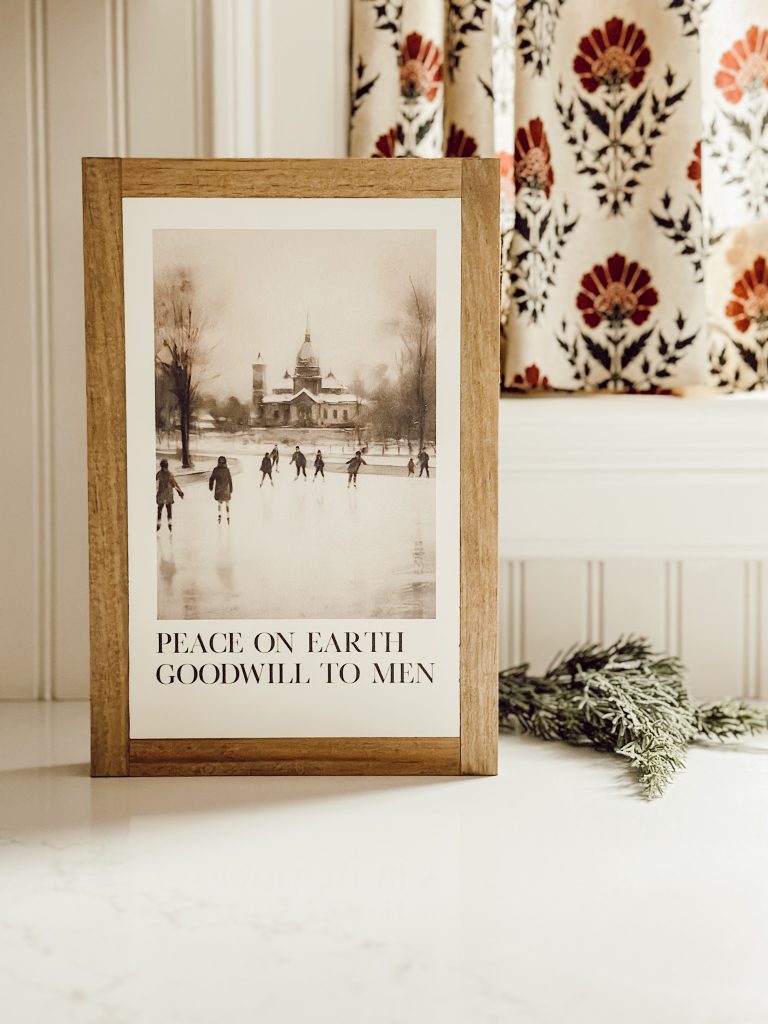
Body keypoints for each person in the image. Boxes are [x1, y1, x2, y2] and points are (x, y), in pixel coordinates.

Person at [156, 458, 184, 532]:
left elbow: (155, 484)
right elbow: (174, 485)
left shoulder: (158, 474)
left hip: (161, 495)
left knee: (159, 510)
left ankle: (158, 524)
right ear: (167, 466)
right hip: (168, 495)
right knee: (169, 511)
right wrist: (180, 492)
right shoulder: (169, 474)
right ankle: (170, 524)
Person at [209, 455, 233, 524]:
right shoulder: (226, 470)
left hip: (218, 490)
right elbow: (230, 480)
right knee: (227, 504)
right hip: (226, 490)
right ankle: (228, 516)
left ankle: (219, 515)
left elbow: (211, 479)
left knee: (219, 504)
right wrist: (231, 489)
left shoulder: (216, 470)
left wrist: (211, 486)